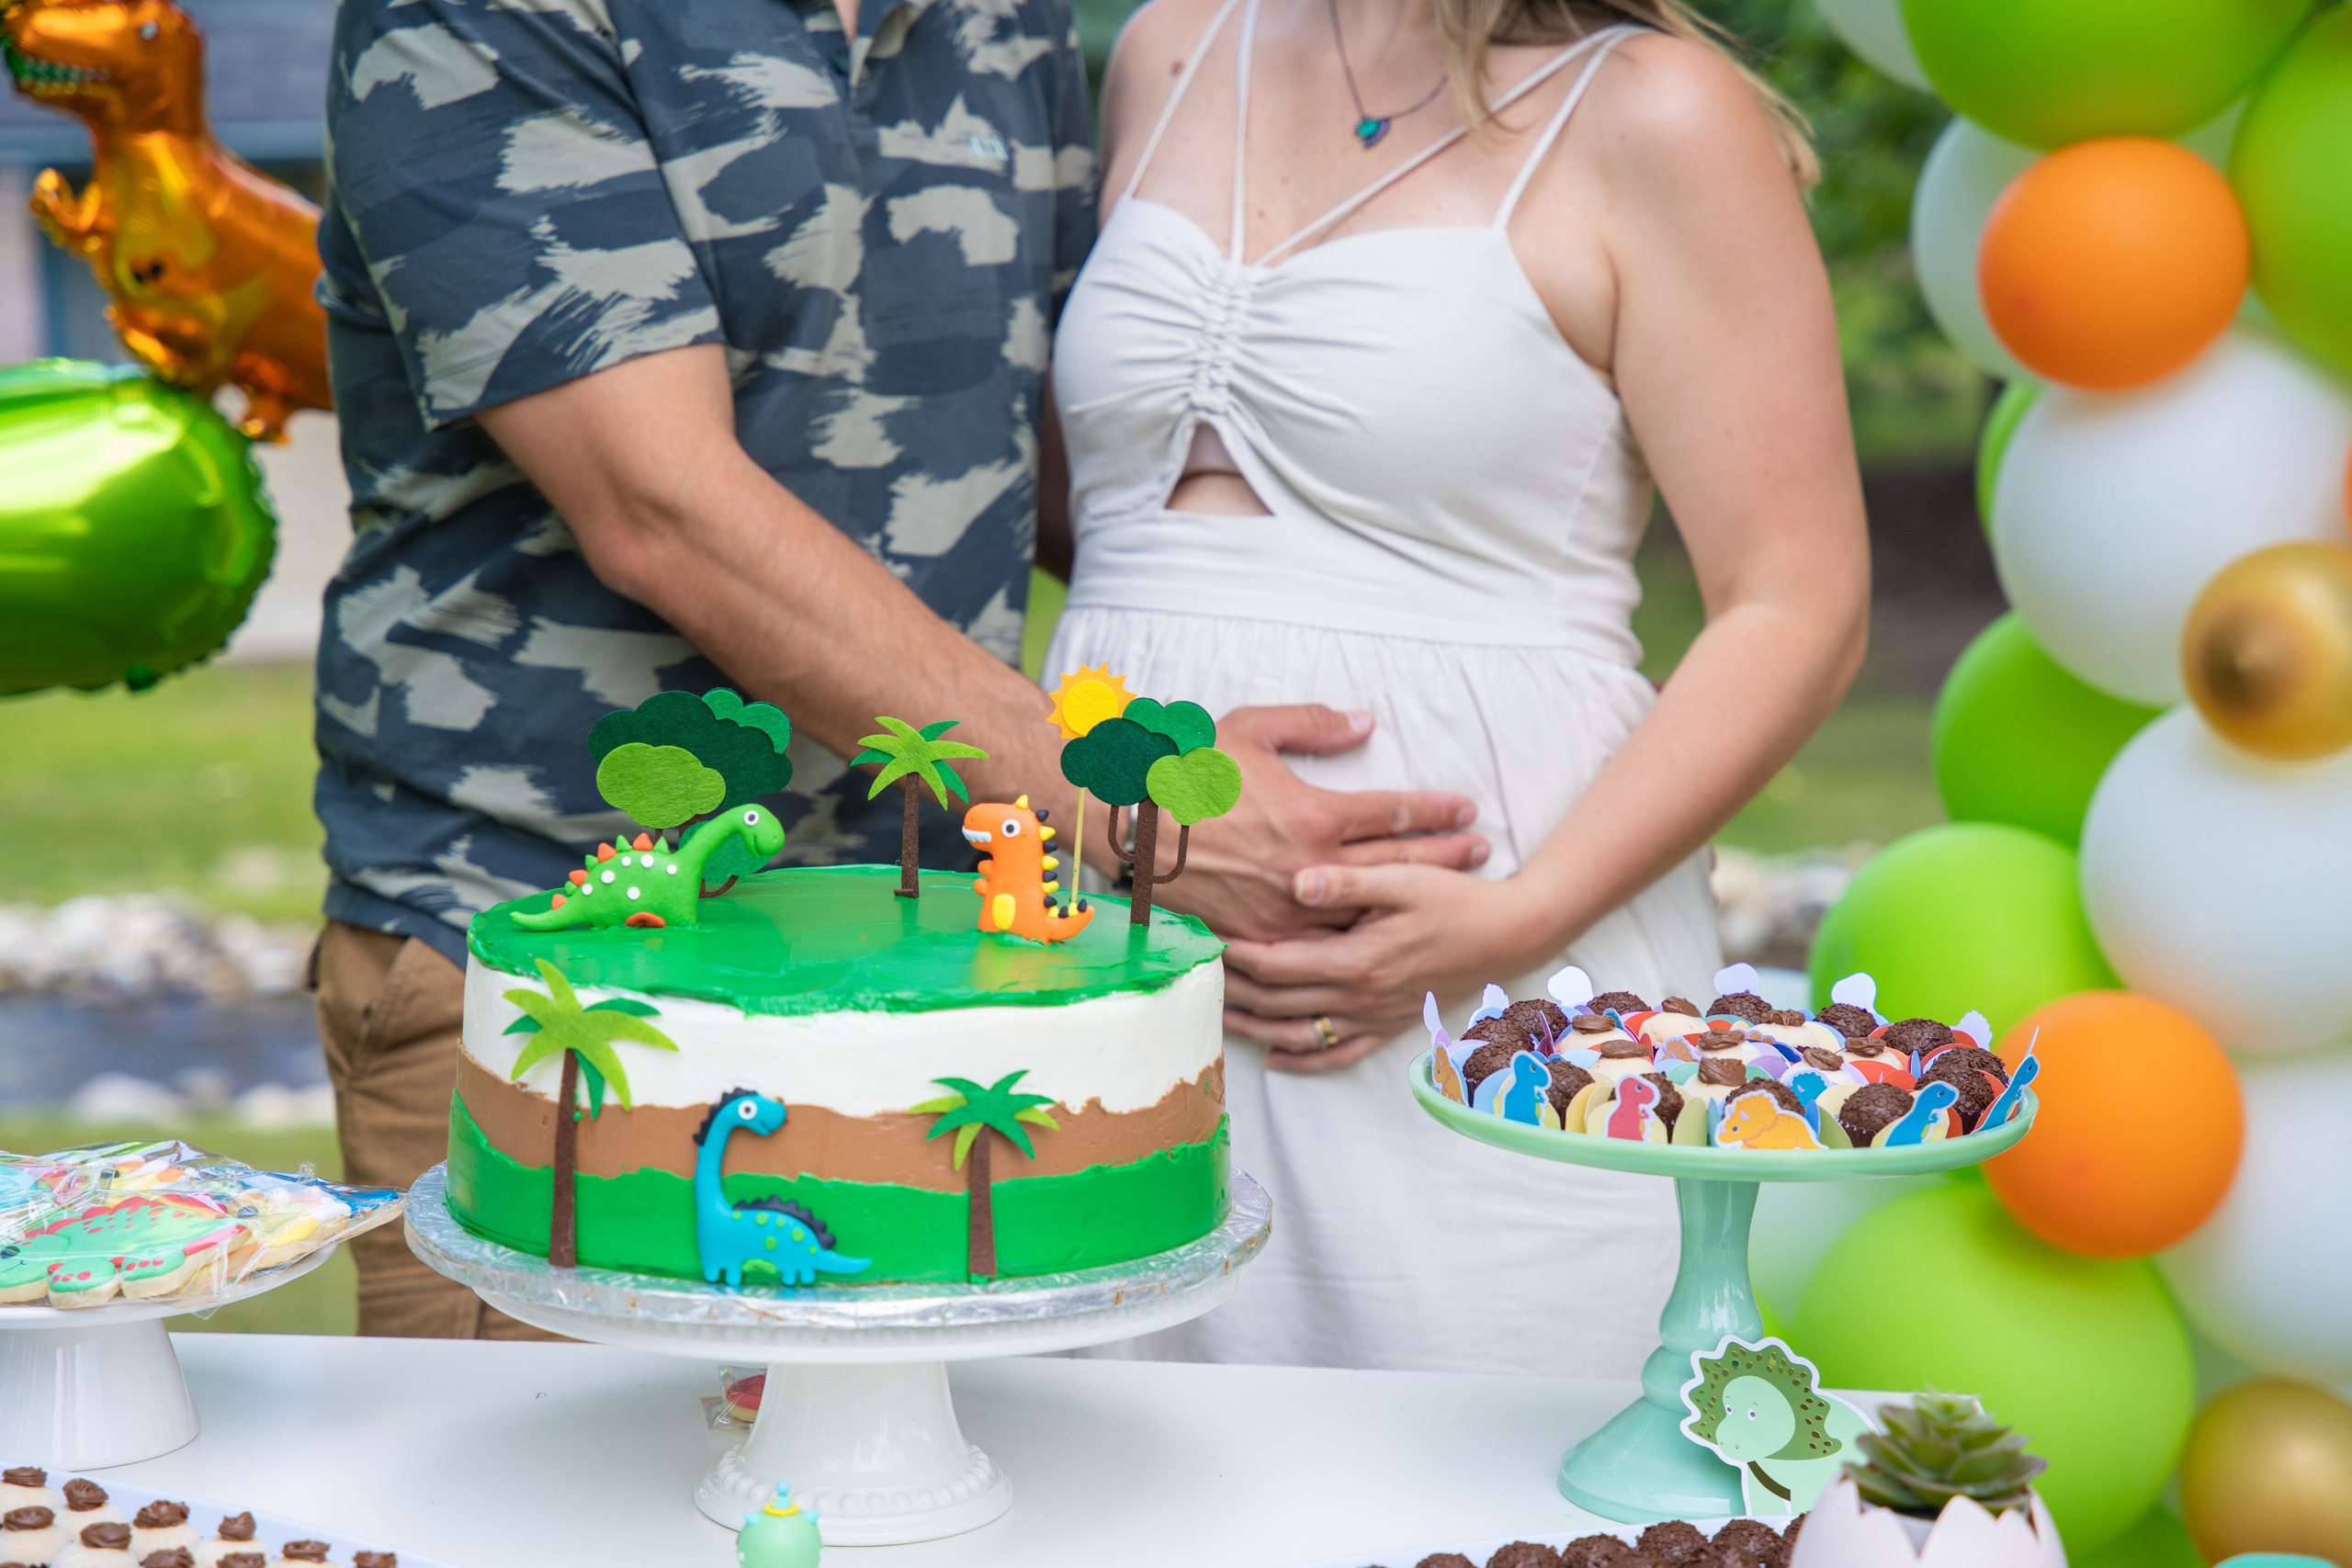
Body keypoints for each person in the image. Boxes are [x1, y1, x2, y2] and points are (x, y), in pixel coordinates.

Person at [311, 0, 1486, 1338]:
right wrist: (1106, 794)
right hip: (554, 958)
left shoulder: (1008, 20)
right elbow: (660, 506)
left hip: (948, 961)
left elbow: (1051, 447)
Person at [1045, 0, 1870, 1373]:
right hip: (1116, 956)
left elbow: (1799, 605)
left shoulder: (1659, 111)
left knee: (1475, 1464)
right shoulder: (1169, 48)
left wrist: (1515, 918)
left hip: (1481, 965)